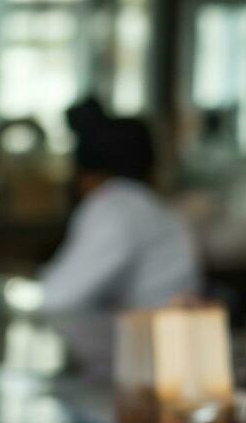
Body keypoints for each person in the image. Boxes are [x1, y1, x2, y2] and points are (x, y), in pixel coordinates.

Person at [37, 99, 201, 313]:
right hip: (156, 330)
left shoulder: (116, 209)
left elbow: (58, 296)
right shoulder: (149, 205)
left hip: (149, 335)